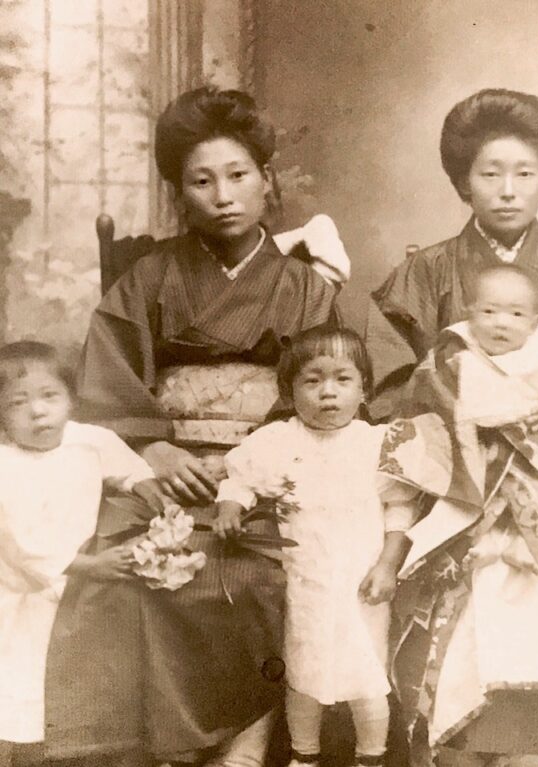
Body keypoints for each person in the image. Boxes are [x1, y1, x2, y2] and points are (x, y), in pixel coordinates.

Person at [48, 86, 340, 766]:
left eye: (239, 175)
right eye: (201, 181)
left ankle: (247, 740)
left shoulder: (306, 288)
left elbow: (342, 380)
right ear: (181, 193)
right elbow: (109, 377)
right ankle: (162, 745)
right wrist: (152, 447)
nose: (224, 195)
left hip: (271, 473)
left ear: (267, 182)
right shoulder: (151, 276)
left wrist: (259, 460)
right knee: (134, 580)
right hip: (164, 469)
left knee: (268, 578)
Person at [364, 87, 538, 620]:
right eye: (489, 174)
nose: (507, 191)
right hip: (452, 459)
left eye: (525, 174)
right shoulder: (424, 271)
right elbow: (392, 377)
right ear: (462, 184)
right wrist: (452, 414)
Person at [379, 265, 538, 767]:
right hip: (469, 507)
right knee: (461, 621)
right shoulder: (450, 357)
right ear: (469, 312)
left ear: (536, 318)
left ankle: (533, 745)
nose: (501, 322)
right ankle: (460, 737)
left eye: (516, 313)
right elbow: (414, 427)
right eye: (488, 310)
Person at [212, 327, 415, 767]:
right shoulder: (277, 440)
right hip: (307, 580)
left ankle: (371, 757)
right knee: (304, 671)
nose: (328, 393)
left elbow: (400, 510)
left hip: (363, 583)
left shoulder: (376, 444)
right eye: (312, 380)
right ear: (288, 392)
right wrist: (230, 506)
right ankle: (304, 756)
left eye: (343, 380)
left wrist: (388, 564)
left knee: (366, 674)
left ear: (365, 389)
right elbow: (239, 478)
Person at [0, 342, 163, 767]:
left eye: (49, 396)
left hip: (77, 578)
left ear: (71, 399)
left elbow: (129, 468)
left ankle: (78, 744)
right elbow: (21, 545)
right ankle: (22, 750)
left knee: (76, 668)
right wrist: (90, 566)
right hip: (22, 584)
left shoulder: (89, 440)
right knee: (23, 667)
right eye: (18, 403)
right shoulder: (5, 465)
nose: (38, 412)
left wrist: (149, 489)